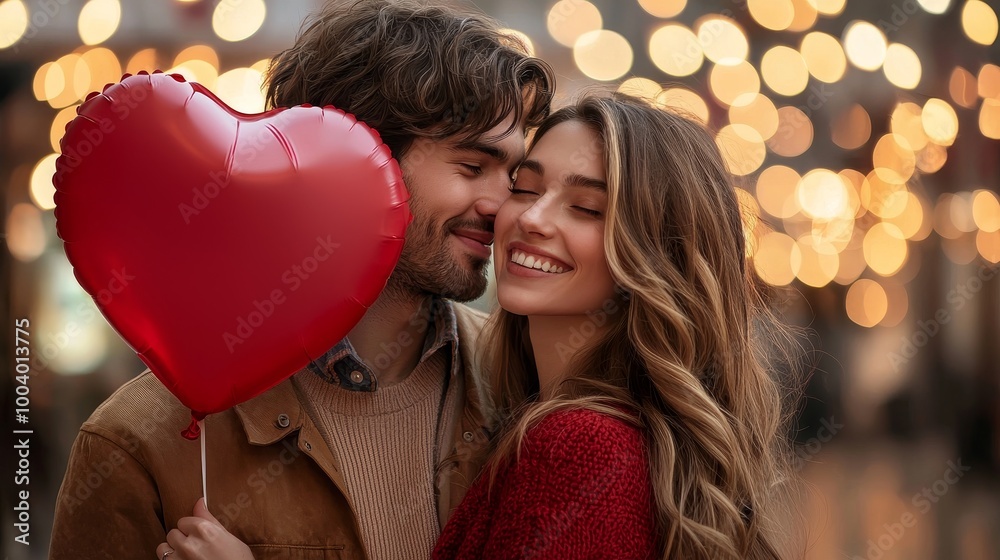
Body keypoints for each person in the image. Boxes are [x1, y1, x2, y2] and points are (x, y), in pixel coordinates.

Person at [149, 93, 804, 559]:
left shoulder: (578, 450)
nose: (529, 218)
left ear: (657, 256)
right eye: (526, 187)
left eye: (585, 206)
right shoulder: (544, 420)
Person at [48, 1, 553, 559]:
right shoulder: (135, 443)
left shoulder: (531, 385)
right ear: (358, 162)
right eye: (471, 167)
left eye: (514, 176)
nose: (504, 206)